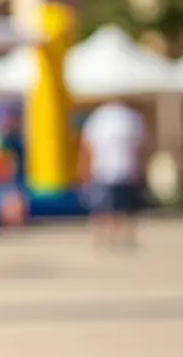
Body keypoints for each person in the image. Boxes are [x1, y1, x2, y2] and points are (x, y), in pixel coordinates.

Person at [79, 98, 147, 250]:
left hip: (106, 169)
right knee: (120, 206)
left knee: (106, 206)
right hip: (122, 168)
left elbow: (87, 146)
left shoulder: (99, 118)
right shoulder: (131, 118)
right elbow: (140, 147)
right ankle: (118, 236)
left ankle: (107, 237)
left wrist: (84, 169)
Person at [0, 109, 27, 228]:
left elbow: (6, 160)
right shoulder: (10, 140)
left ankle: (11, 222)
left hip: (10, 175)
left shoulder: (12, 140)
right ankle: (10, 222)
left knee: (10, 199)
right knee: (9, 199)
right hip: (8, 175)